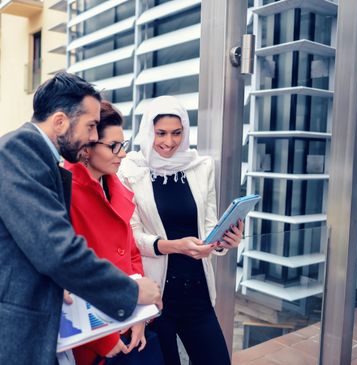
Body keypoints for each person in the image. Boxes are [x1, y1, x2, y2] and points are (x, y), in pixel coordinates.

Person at [0, 72, 162, 365]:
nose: (91, 137)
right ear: (60, 121)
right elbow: (57, 250)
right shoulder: (18, 151)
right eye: (90, 126)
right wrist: (132, 291)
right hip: (21, 326)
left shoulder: (40, 157)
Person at [118, 95, 244, 365]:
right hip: (157, 297)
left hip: (197, 291)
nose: (169, 142)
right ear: (148, 131)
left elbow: (209, 227)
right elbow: (132, 237)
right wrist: (174, 245)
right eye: (161, 133)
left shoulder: (200, 167)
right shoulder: (130, 170)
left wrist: (223, 241)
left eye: (177, 133)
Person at [65, 100, 164, 365]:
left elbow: (132, 256)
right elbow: (69, 273)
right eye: (113, 147)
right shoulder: (65, 191)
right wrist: (102, 338)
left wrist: (140, 316)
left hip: (128, 318)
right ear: (87, 146)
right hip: (92, 335)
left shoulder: (115, 186)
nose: (122, 154)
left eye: (124, 145)